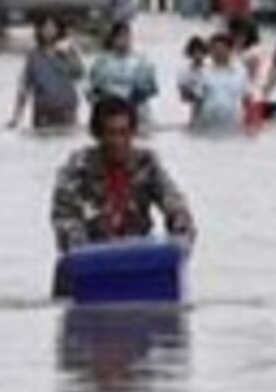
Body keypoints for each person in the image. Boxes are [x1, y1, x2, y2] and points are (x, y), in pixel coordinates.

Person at [49, 97, 197, 297]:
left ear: (133, 133)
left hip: (138, 263)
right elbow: (65, 218)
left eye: (124, 133)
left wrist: (181, 239)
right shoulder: (76, 169)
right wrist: (89, 255)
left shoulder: (147, 164)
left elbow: (174, 204)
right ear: (96, 135)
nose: (118, 141)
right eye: (110, 134)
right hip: (85, 269)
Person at [9, 17, 85, 129]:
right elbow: (24, 88)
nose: (48, 31)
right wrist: (16, 117)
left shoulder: (69, 51)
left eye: (52, 28)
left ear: (58, 30)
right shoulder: (33, 56)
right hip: (43, 110)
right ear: (39, 30)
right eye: (45, 28)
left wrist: (67, 55)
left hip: (66, 108)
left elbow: (79, 74)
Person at [88, 21, 159, 122]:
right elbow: (92, 90)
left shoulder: (142, 62)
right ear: (113, 39)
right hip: (110, 109)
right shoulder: (102, 62)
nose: (124, 40)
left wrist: (136, 94)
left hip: (136, 110)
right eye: (120, 37)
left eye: (127, 36)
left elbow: (152, 89)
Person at [184, 33, 250, 131]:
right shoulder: (203, 72)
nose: (217, 53)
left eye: (221, 49)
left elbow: (247, 99)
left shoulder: (241, 72)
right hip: (208, 122)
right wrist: (192, 122)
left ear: (230, 50)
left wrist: (250, 125)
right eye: (214, 50)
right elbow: (198, 101)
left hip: (232, 122)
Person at [177, 37, 209, 108]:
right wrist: (197, 95)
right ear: (190, 53)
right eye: (195, 52)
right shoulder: (184, 72)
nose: (198, 54)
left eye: (200, 51)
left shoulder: (210, 70)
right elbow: (183, 97)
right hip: (194, 108)